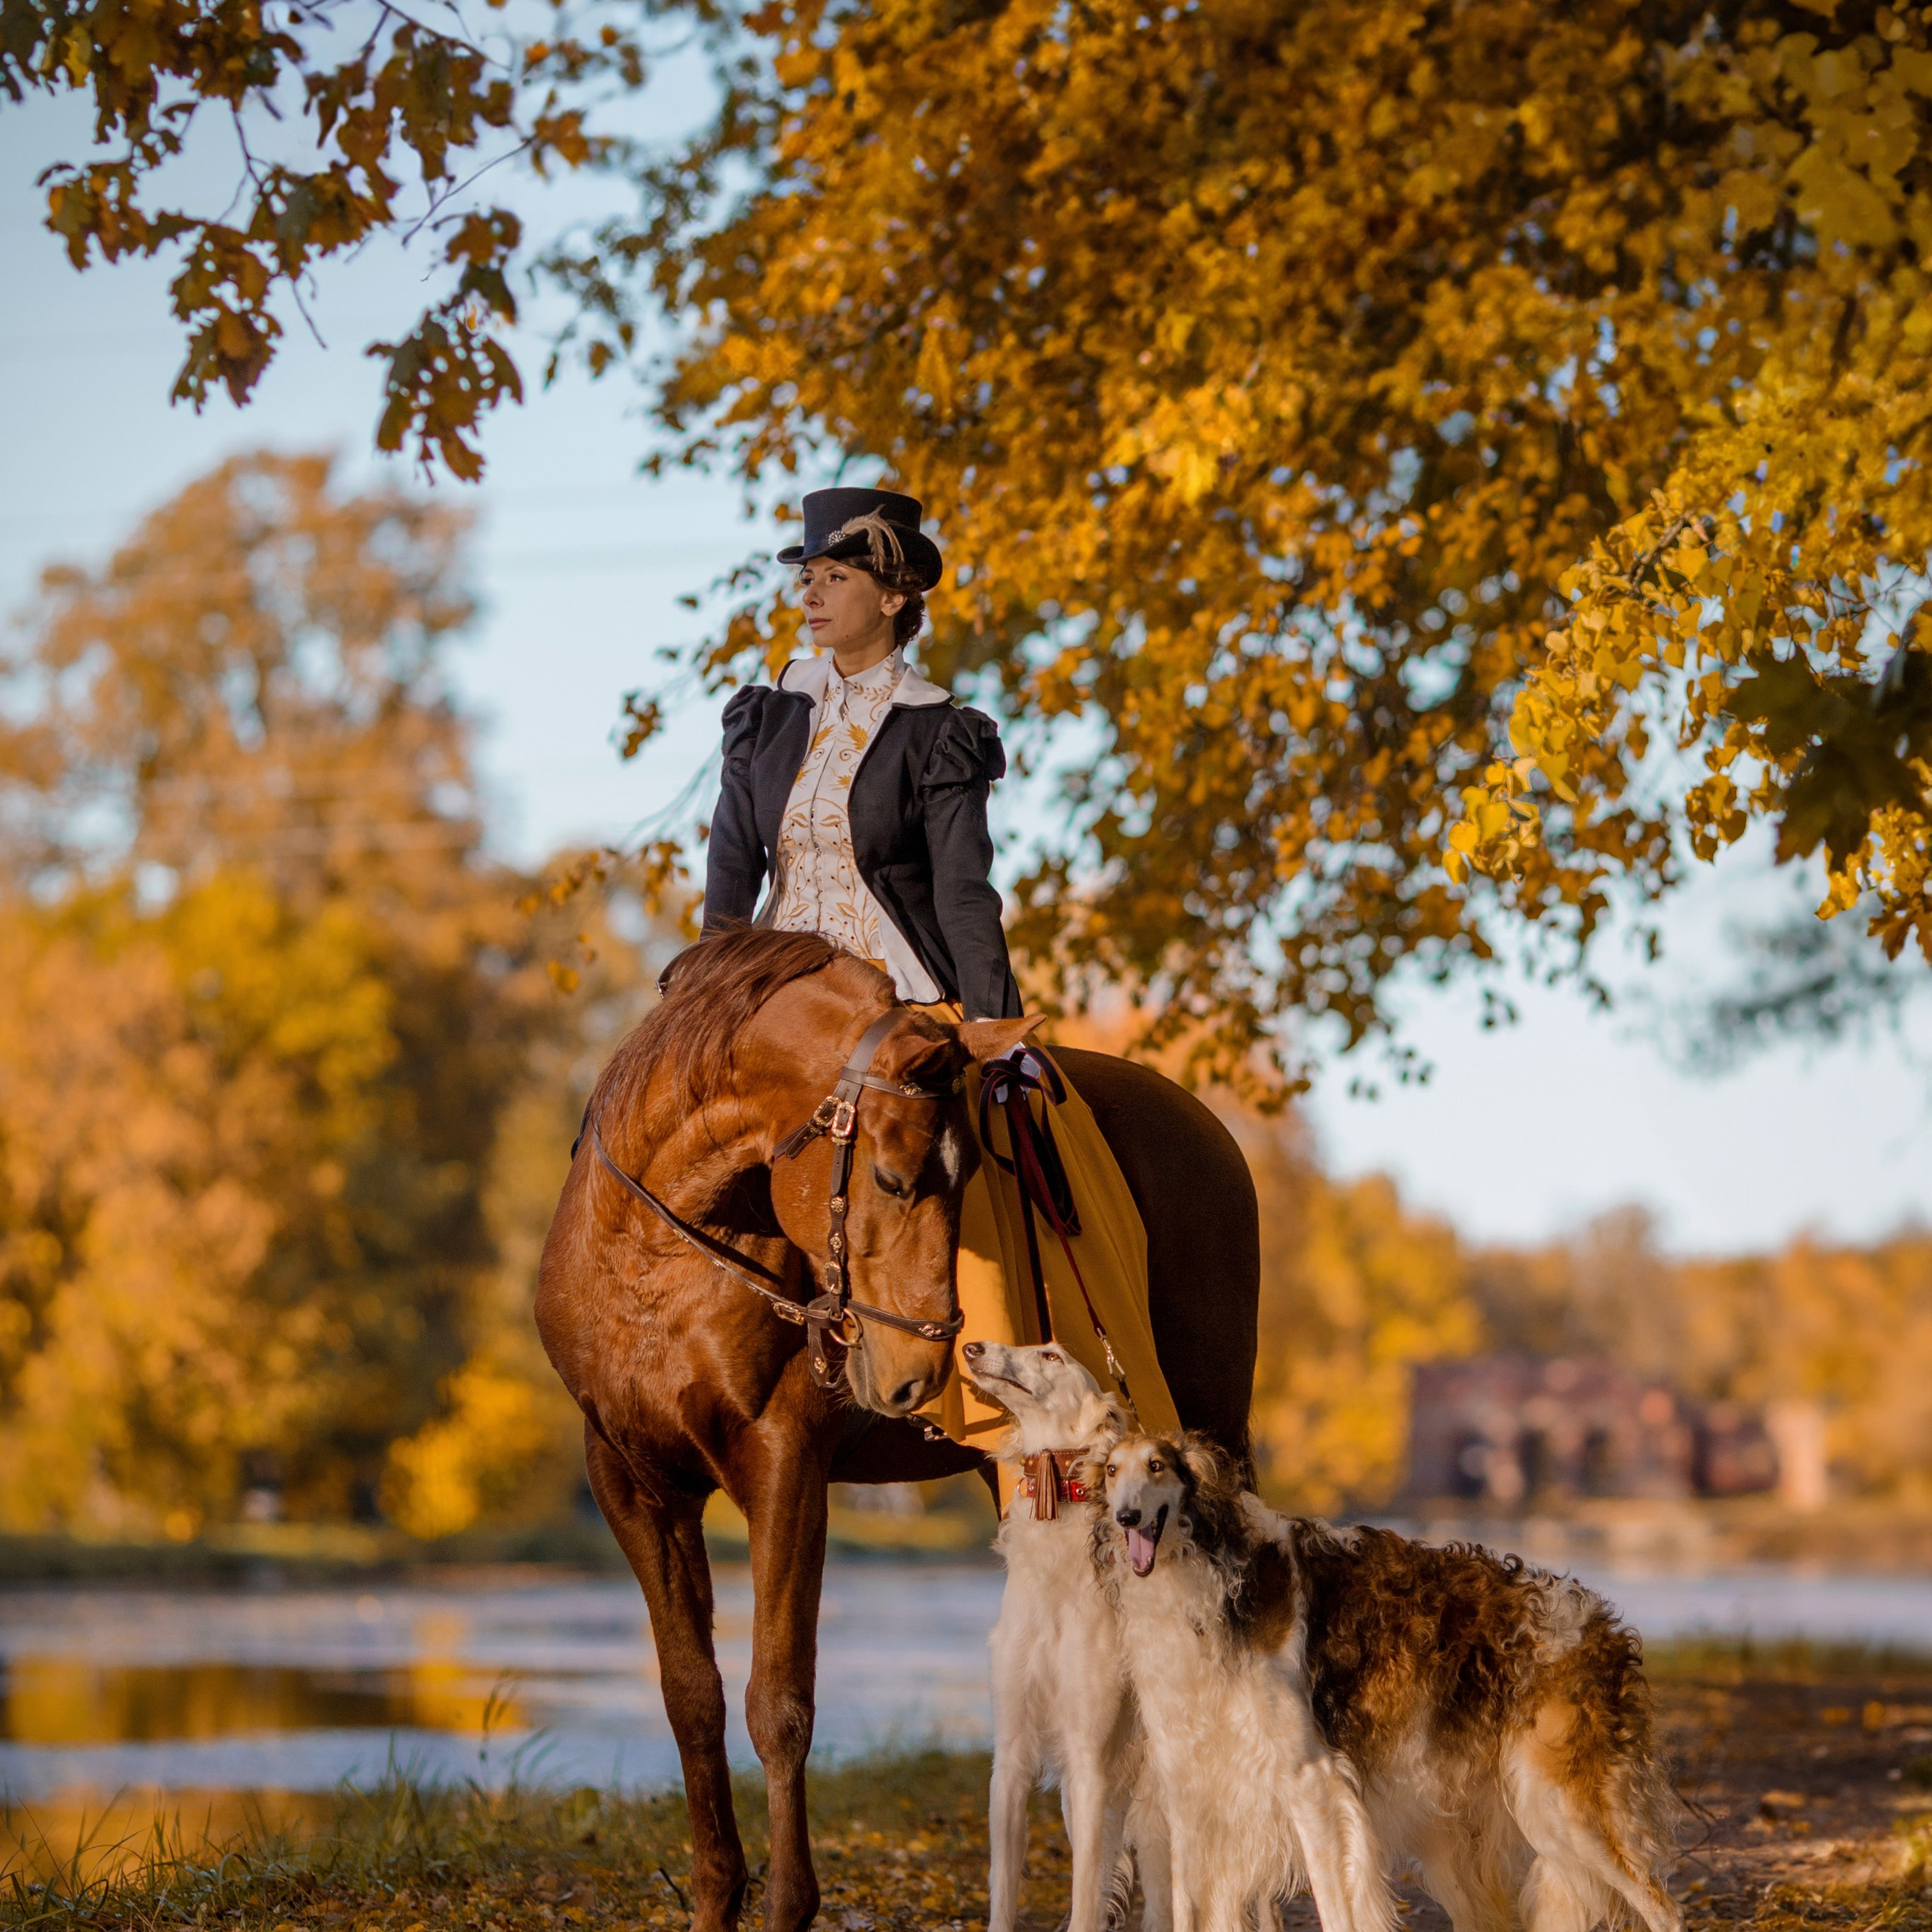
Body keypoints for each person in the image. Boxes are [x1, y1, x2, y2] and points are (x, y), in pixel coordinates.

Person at [701, 488, 1179, 1447]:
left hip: (902, 1000)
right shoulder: (765, 716)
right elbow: (731, 869)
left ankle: (1031, 1424)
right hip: (782, 1005)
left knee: (977, 1162)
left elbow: (965, 894)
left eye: (835, 576)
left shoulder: (938, 731)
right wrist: (710, 994)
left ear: (892, 597)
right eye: (807, 575)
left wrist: (989, 1030)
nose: (811, 593)